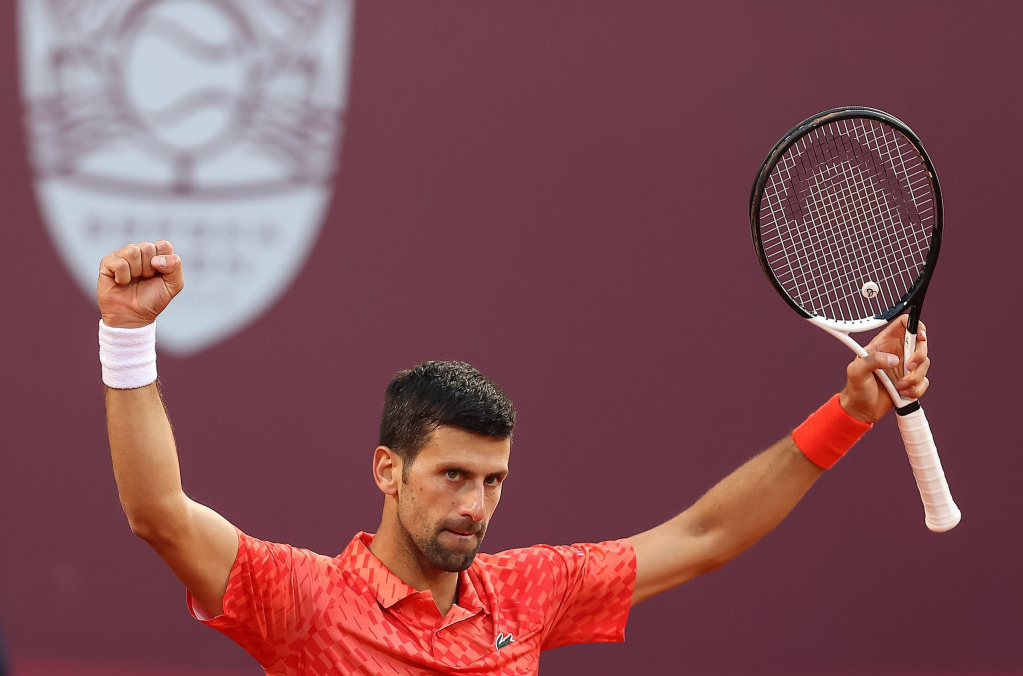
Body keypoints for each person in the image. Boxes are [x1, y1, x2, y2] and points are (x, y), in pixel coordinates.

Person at [97, 240, 930, 675]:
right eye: (451, 476)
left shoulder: (527, 593)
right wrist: (127, 337)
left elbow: (703, 536)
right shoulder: (302, 601)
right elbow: (158, 514)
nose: (474, 505)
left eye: (492, 481)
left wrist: (848, 414)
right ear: (387, 471)